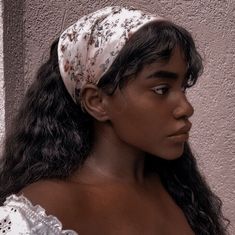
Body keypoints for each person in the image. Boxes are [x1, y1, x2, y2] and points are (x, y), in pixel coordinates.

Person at [0, 6, 229, 235]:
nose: (185, 108)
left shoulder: (179, 192)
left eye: (183, 88)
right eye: (161, 89)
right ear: (97, 102)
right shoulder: (41, 212)